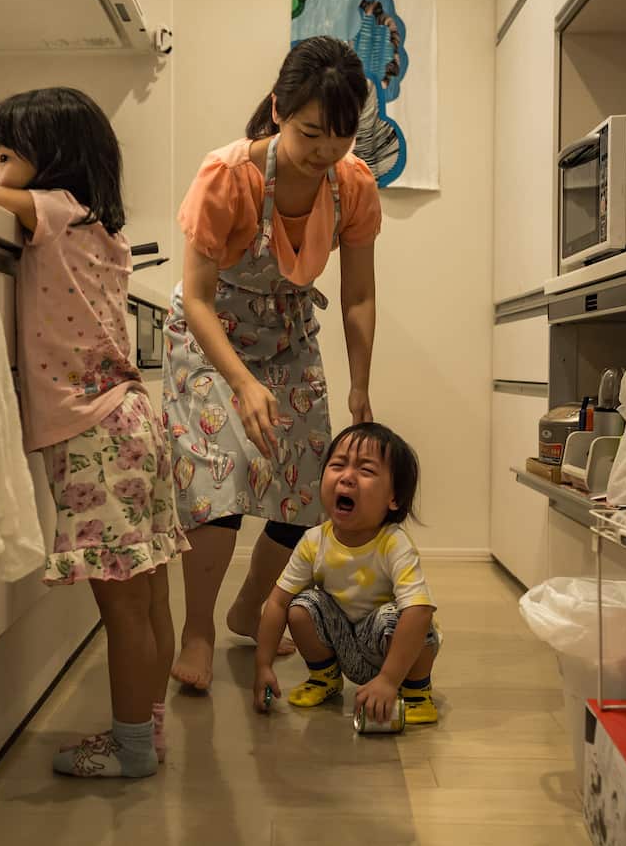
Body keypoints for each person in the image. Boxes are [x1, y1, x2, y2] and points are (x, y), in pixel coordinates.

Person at [0, 87, 188, 778]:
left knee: (120, 605)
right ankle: (147, 730)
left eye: (7, 156)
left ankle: (128, 751)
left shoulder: (54, 212)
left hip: (92, 432)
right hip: (131, 419)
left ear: (53, 159)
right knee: (149, 592)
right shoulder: (106, 233)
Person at [163, 36, 382, 690]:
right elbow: (198, 298)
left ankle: (250, 607)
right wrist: (240, 382)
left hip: (287, 334)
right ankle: (196, 630)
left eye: (340, 136)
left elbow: (359, 294)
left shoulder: (352, 185)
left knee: (304, 488)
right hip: (210, 337)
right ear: (279, 109)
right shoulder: (229, 176)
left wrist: (361, 386)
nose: (325, 151)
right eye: (312, 132)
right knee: (218, 480)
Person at [252, 423, 440, 725]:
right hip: (344, 644)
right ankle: (324, 677)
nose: (347, 477)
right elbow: (276, 602)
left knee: (404, 616)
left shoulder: (393, 543)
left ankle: (417, 690)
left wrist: (389, 680)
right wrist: (263, 665)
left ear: (394, 498)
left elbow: (419, 611)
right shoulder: (314, 541)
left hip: (396, 653)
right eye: (337, 465)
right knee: (301, 606)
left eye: (365, 471)